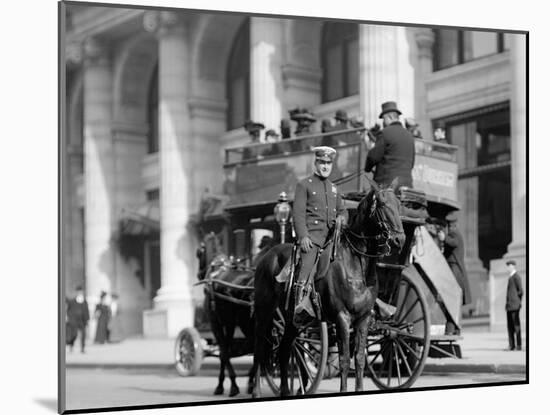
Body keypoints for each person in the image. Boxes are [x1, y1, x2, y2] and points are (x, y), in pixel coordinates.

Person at [293, 146, 346, 322]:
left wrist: (341, 218)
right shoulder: (304, 185)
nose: (325, 166)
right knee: (307, 267)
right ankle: (300, 307)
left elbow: (343, 211)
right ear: (315, 163)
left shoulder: (334, 189)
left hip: (331, 241)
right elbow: (298, 214)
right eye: (322, 162)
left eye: (328, 163)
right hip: (313, 239)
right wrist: (303, 237)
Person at [364, 101, 415, 188]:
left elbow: (373, 157)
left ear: (390, 117)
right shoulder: (409, 135)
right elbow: (412, 164)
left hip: (387, 185)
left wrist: (367, 168)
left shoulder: (385, 133)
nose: (383, 122)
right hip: (407, 185)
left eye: (384, 119)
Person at [442, 212, 472, 307]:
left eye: (449, 225)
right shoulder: (455, 232)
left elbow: (453, 242)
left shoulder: (454, 233)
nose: (449, 227)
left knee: (453, 289)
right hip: (453, 265)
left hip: (454, 266)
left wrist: (444, 238)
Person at [505, 259, 523, 351]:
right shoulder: (510, 277)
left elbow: (521, 291)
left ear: (513, 266)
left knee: (516, 326)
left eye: (509, 265)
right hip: (509, 306)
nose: (508, 267)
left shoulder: (516, 277)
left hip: (515, 306)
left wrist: (518, 302)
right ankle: (511, 345)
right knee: (510, 327)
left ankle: (519, 345)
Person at [66, 286, 90, 353]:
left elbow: (86, 311)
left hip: (82, 320)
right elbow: (69, 310)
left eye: (81, 291)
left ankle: (82, 348)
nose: (80, 293)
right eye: (78, 292)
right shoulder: (72, 301)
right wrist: (69, 318)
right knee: (74, 334)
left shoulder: (84, 301)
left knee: (83, 335)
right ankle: (71, 345)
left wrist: (87, 320)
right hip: (74, 320)